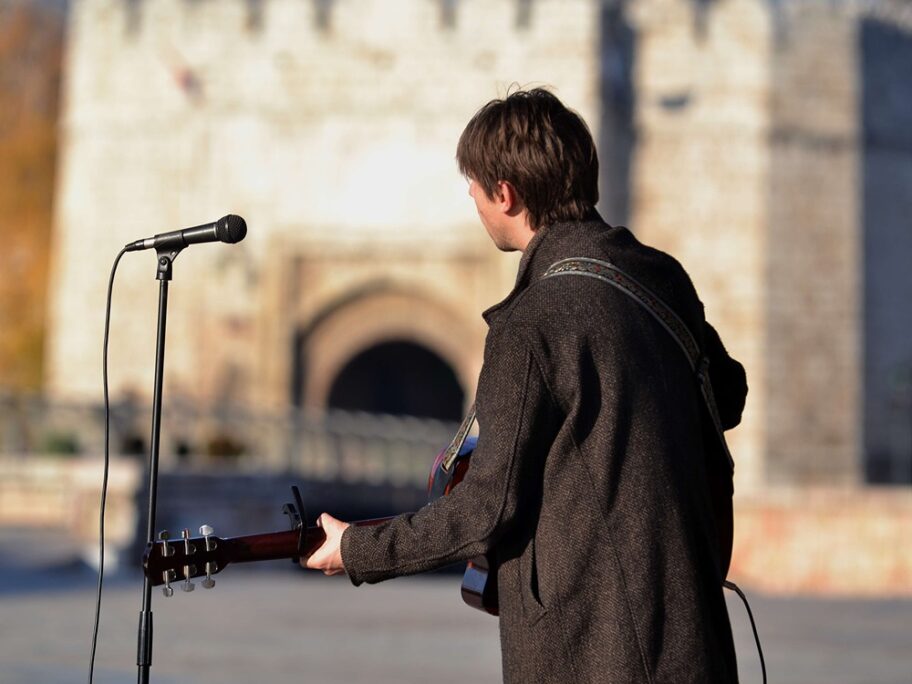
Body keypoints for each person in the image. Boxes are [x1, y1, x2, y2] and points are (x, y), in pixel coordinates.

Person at [305, 88, 747, 683]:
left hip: (594, 651)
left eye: (475, 187)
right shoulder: (660, 277)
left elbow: (487, 508)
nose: (472, 199)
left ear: (505, 194)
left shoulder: (531, 322)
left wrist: (357, 550)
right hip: (696, 639)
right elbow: (730, 394)